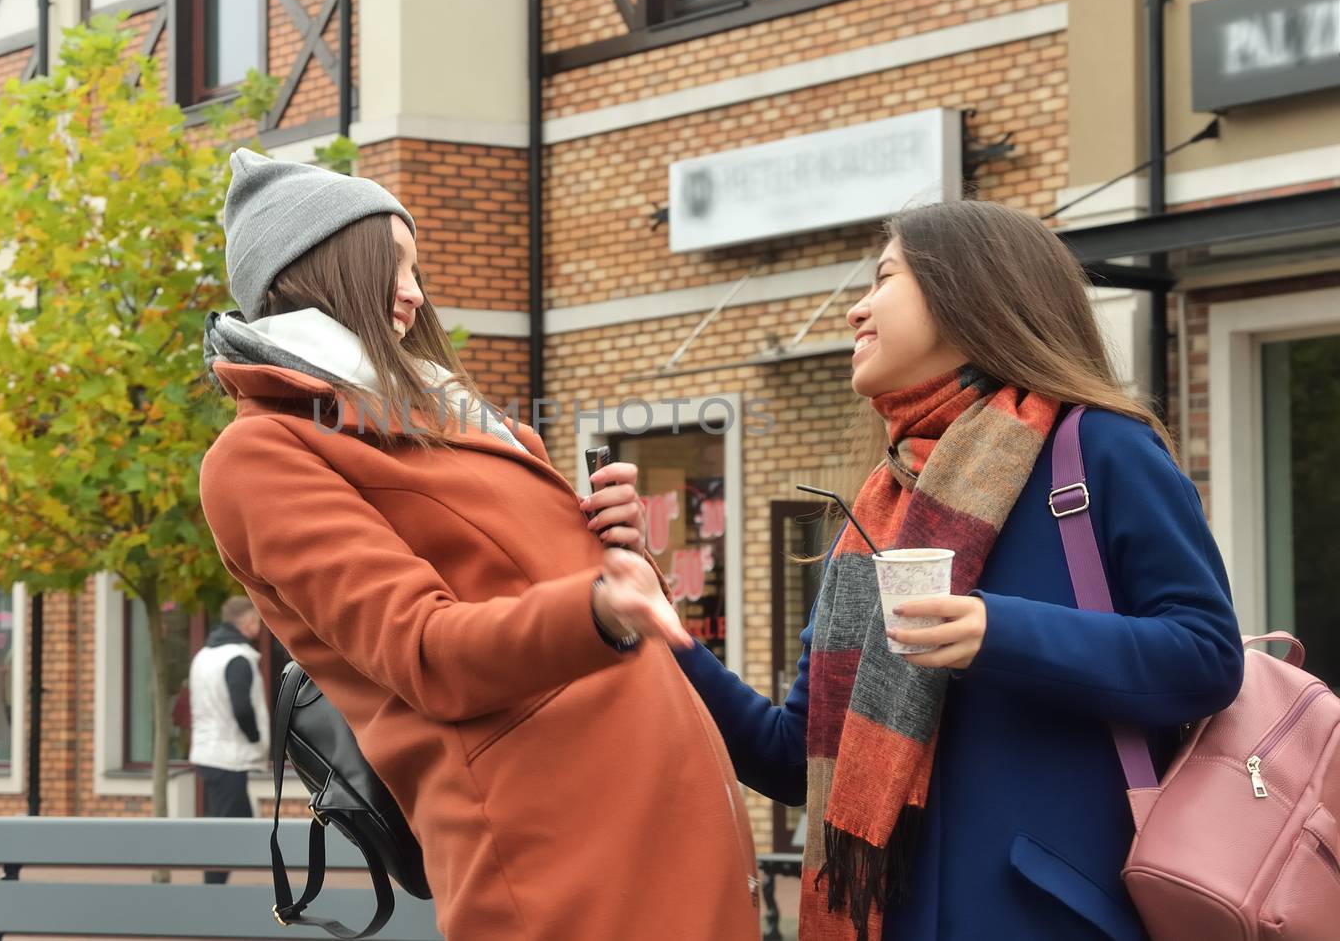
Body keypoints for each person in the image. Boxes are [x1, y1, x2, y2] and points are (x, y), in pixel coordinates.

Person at [198, 151, 762, 941]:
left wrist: (613, 551)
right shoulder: (261, 456)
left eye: (415, 268)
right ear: (319, 270)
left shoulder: (454, 418)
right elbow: (424, 649)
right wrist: (597, 606)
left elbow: (552, 603)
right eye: (390, 264)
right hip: (563, 857)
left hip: (653, 821)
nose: (414, 293)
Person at [672, 200, 1244, 941]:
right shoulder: (879, 508)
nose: (856, 309)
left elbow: (1207, 655)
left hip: (1054, 918)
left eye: (884, 278)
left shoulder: (1099, 449)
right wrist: (664, 634)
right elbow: (791, 757)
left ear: (967, 290)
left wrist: (996, 632)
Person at [187, 595, 271, 884]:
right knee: (232, 829)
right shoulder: (238, 658)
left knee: (232, 824)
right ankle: (214, 891)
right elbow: (242, 707)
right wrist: (256, 737)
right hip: (228, 756)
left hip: (208, 753)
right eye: (258, 622)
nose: (259, 628)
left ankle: (217, 887)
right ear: (248, 622)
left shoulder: (204, 656)